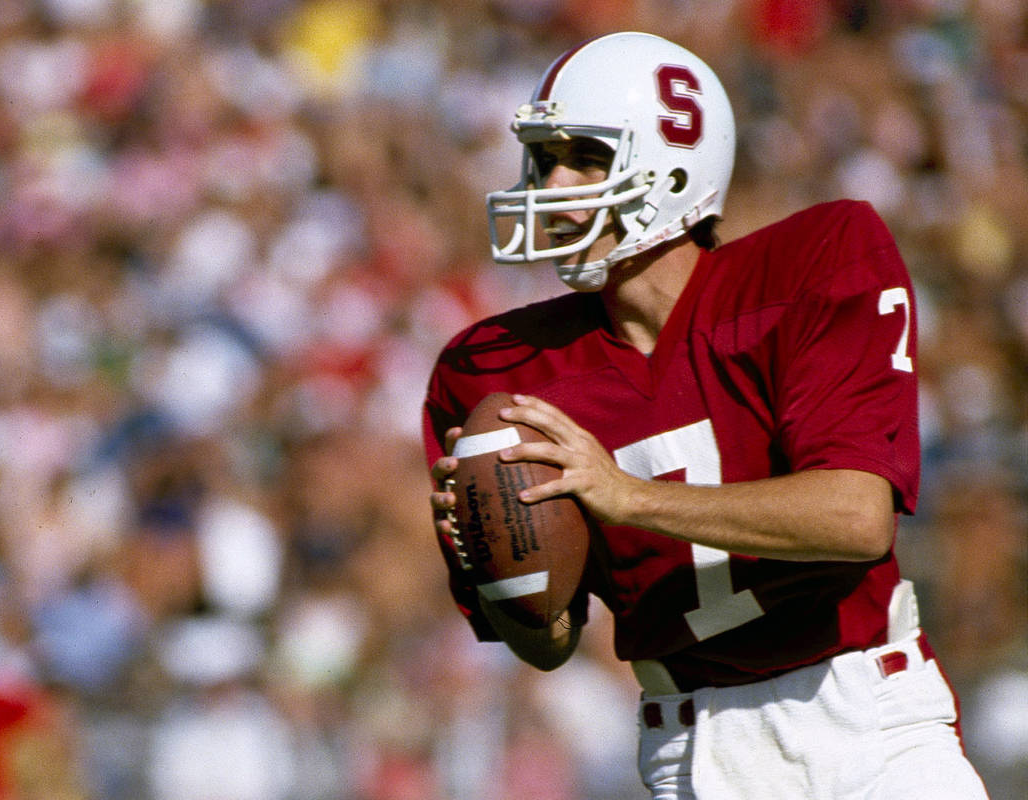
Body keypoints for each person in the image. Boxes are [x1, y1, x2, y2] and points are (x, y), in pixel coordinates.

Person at [422, 32, 988, 800]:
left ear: (672, 166)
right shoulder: (499, 371)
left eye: (585, 156)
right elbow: (550, 646)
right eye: (543, 157)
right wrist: (500, 569)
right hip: (689, 747)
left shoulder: (815, 262)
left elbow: (857, 517)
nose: (552, 181)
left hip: (865, 722)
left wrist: (630, 495)